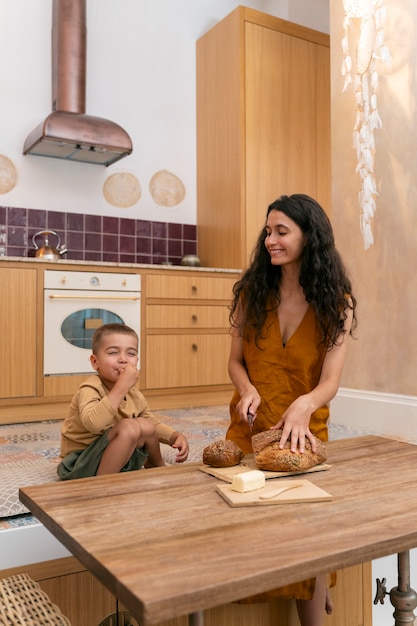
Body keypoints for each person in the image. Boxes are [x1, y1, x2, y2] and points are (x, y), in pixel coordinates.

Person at [226, 194, 357, 626]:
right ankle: (315, 585)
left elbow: (331, 382)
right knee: (243, 515)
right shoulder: (251, 291)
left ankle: (314, 596)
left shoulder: (337, 302)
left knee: (307, 526)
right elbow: (235, 362)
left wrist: (306, 404)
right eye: (268, 231)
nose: (269, 240)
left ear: (309, 236)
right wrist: (245, 388)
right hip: (251, 424)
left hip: (304, 428)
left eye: (281, 231)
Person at [57, 323, 189, 480]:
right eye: (113, 352)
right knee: (129, 426)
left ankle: (159, 471)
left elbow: (152, 423)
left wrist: (174, 436)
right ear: (95, 362)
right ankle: (102, 485)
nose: (123, 359)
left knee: (146, 425)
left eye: (131, 354)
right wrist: (121, 387)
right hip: (80, 464)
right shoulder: (89, 389)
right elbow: (93, 423)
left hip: (115, 459)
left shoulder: (134, 395)